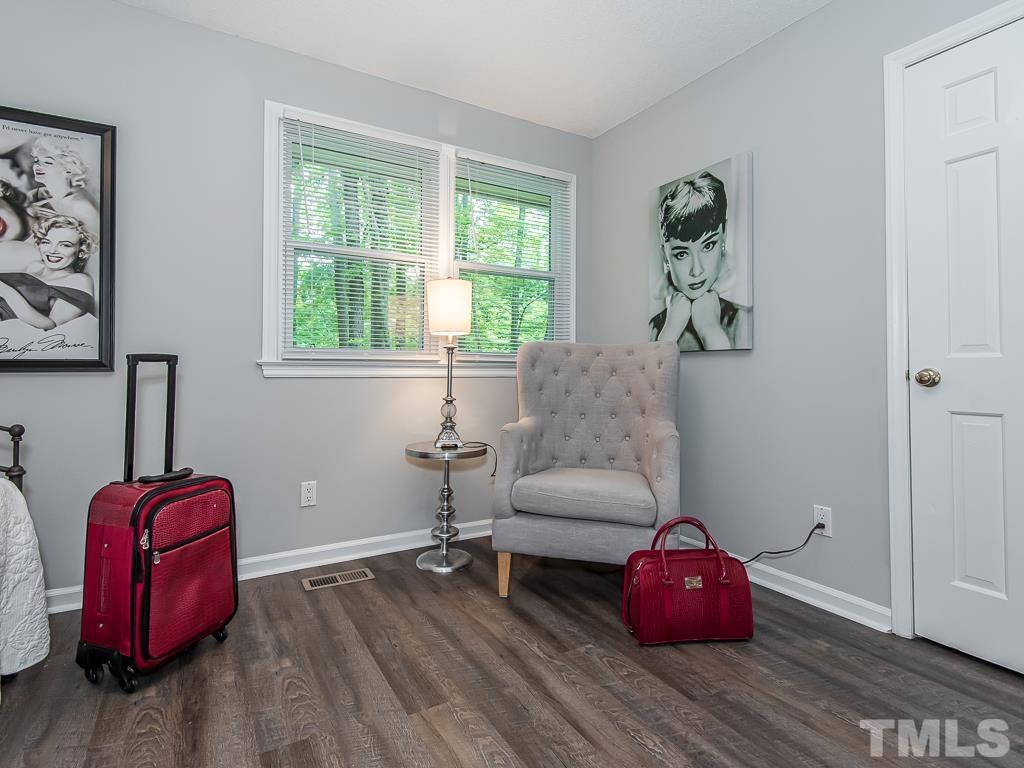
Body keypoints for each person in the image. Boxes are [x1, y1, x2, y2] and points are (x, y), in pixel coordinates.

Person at [649, 171, 750, 351]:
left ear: (724, 234)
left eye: (708, 246)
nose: (696, 271)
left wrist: (710, 330)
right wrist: (669, 332)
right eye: (681, 254)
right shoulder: (656, 328)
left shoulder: (746, 322)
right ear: (665, 256)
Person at [0, 214, 95, 329]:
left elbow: (51, 327)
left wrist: (7, 293)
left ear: (81, 251)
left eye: (65, 245)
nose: (52, 250)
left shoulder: (80, 280)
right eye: (46, 242)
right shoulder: (35, 266)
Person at [27, 137, 100, 234]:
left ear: (68, 168)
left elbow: (99, 243)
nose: (37, 166)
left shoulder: (80, 205)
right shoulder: (40, 196)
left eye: (47, 162)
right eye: (36, 160)